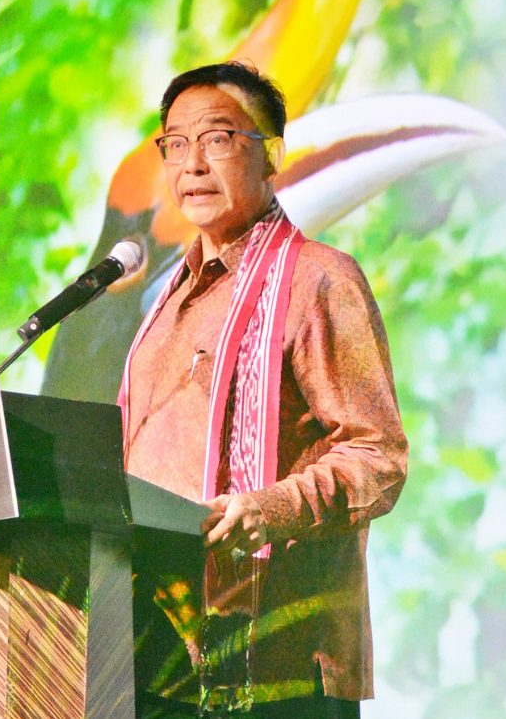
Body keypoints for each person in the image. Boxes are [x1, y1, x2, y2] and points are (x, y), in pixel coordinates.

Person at [120, 62, 408, 718]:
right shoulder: (165, 308)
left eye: (218, 139)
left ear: (270, 156)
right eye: (176, 143)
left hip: (275, 661)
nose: (193, 164)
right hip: (153, 660)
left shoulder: (319, 280)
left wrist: (265, 510)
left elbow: (378, 457)